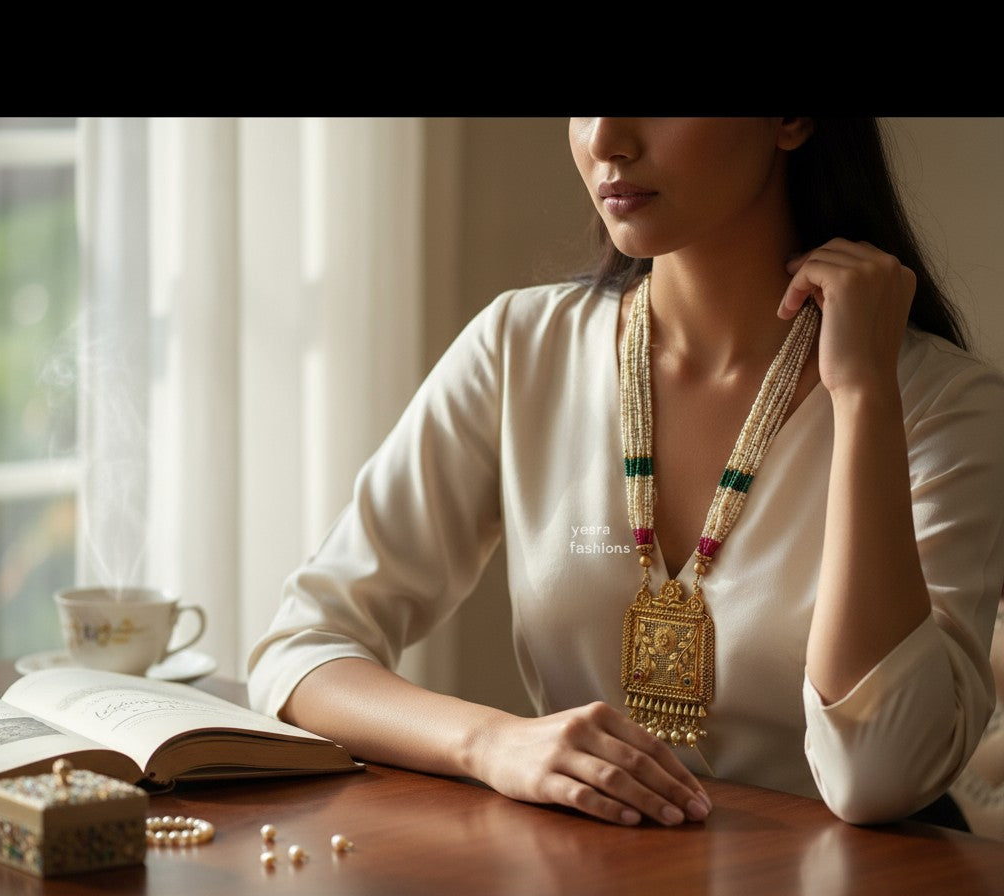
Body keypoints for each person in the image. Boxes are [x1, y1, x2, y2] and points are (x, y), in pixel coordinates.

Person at [248, 118, 1004, 832]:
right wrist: (494, 743)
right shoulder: (521, 347)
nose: (606, 138)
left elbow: (879, 778)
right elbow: (302, 650)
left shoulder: (946, 406)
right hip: (586, 869)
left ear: (794, 120)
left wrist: (864, 393)